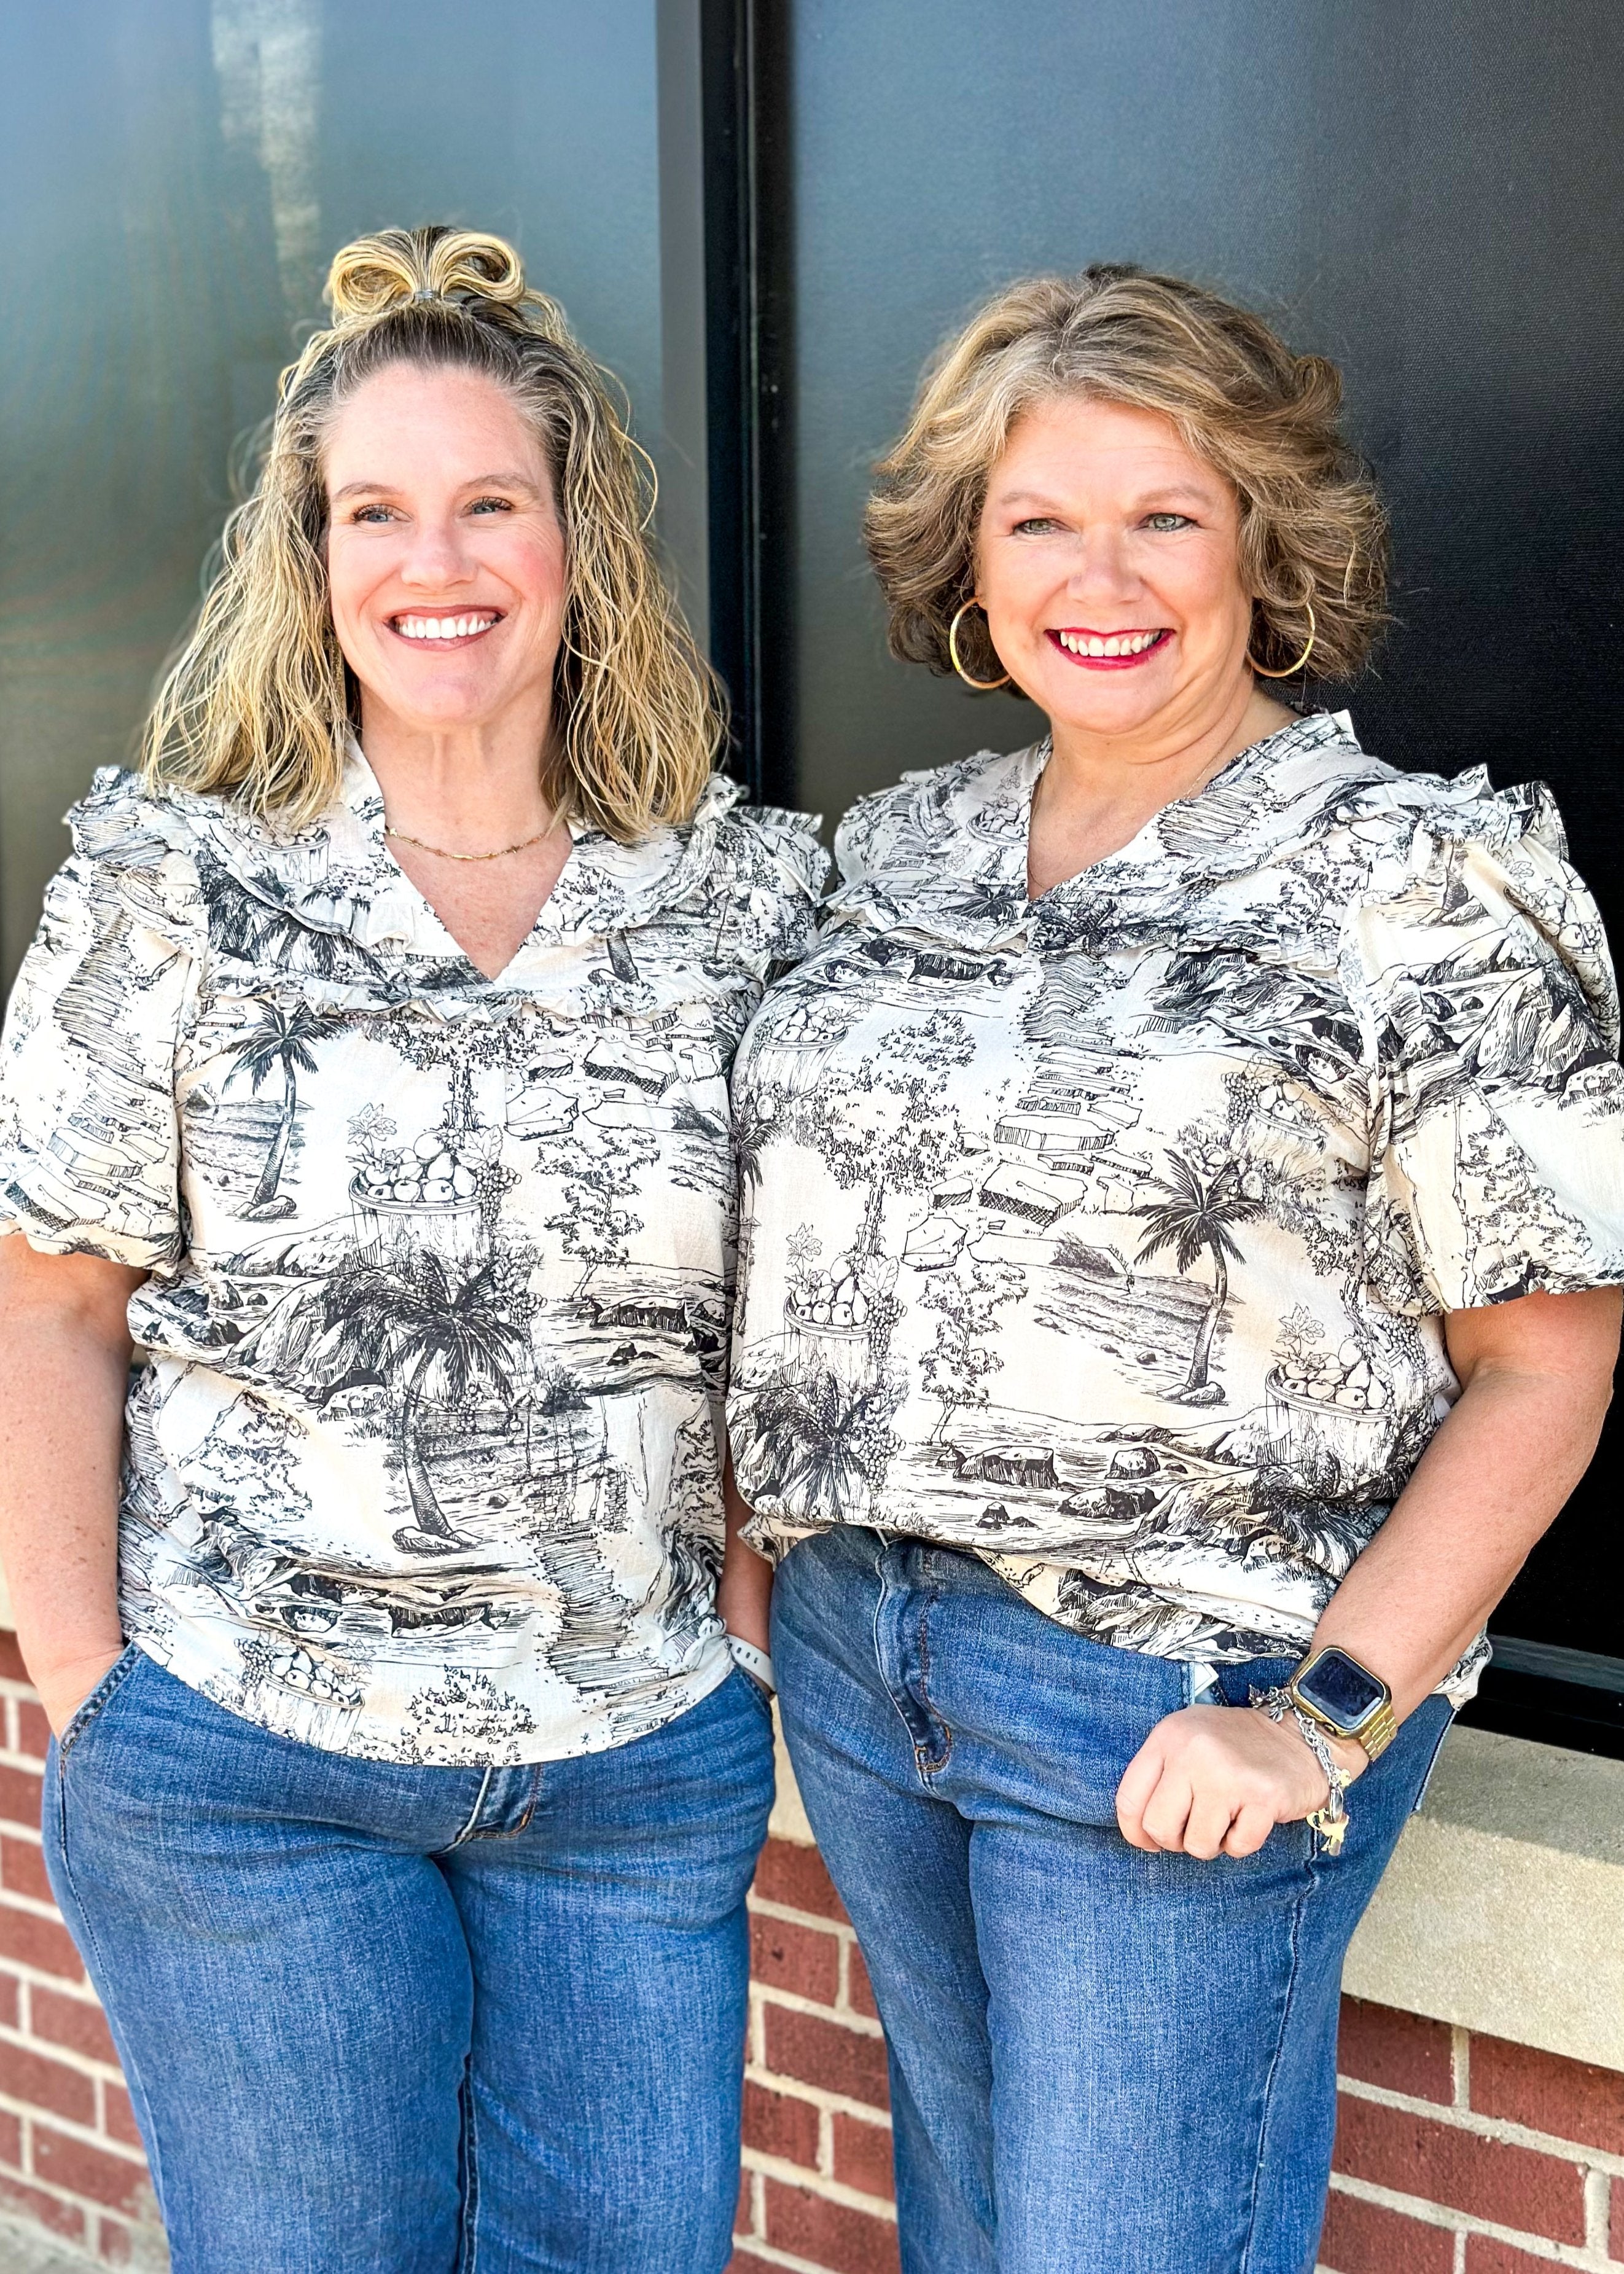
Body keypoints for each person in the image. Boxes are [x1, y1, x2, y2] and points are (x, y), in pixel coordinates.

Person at [726, 264, 1624, 2274]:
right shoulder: (899, 853)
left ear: (1260, 544)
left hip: (1174, 1697)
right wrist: (758, 1543)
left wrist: (1316, 1717)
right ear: (968, 558)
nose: (1096, 573)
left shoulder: (1418, 884)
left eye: (1164, 513)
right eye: (1038, 518)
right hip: (871, 1668)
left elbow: (1547, 1365)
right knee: (965, 2230)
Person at [0, 225, 816, 2274]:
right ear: (311, 550)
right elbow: (51, 1301)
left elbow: (785, 1315)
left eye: (485, 503)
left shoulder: (735, 899)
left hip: (629, 1766)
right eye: (376, 508)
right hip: (244, 1754)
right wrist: (87, 1685)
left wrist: (727, 1637)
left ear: (571, 539)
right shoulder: (172, 885)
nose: (432, 560)